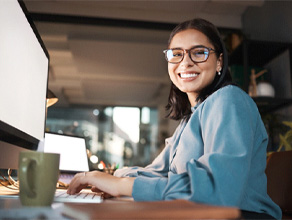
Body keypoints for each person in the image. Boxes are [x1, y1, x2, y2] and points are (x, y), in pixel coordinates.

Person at [67, 18, 281, 219]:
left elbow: (219, 191)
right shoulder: (189, 119)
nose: (185, 62)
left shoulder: (229, 99)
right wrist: (112, 178)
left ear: (219, 62)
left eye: (199, 53)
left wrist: (121, 184)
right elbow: (157, 172)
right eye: (176, 54)